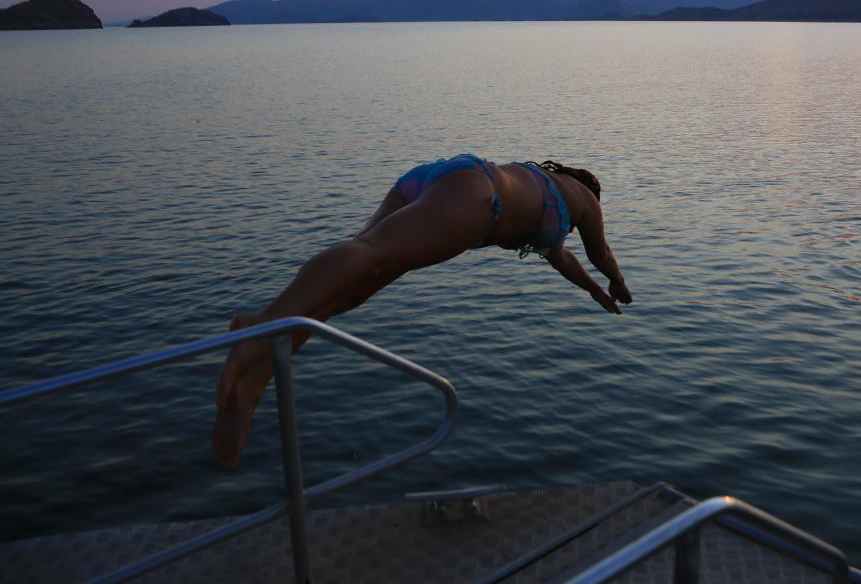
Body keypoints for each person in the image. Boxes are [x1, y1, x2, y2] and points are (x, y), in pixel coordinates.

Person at [211, 154, 631, 470]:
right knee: (369, 256)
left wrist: (595, 292)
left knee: (352, 285)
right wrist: (617, 281)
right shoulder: (583, 200)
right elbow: (600, 252)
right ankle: (258, 329)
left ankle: (261, 371)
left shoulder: (546, 188)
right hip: (480, 195)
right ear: (587, 189)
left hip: (438, 179)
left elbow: (561, 257)